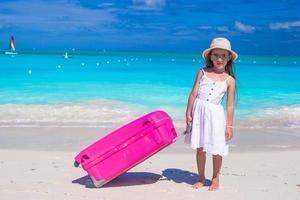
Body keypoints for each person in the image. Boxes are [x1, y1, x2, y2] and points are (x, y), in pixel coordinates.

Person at [185, 37, 237, 191]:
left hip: (216, 116)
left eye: (223, 56)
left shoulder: (229, 80)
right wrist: (188, 112)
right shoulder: (202, 72)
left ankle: (215, 178)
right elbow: (193, 94)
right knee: (200, 148)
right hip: (199, 113)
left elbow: (230, 105)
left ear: (228, 58)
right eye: (216, 55)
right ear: (210, 57)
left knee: (216, 148)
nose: (219, 59)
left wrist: (229, 125)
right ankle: (201, 178)